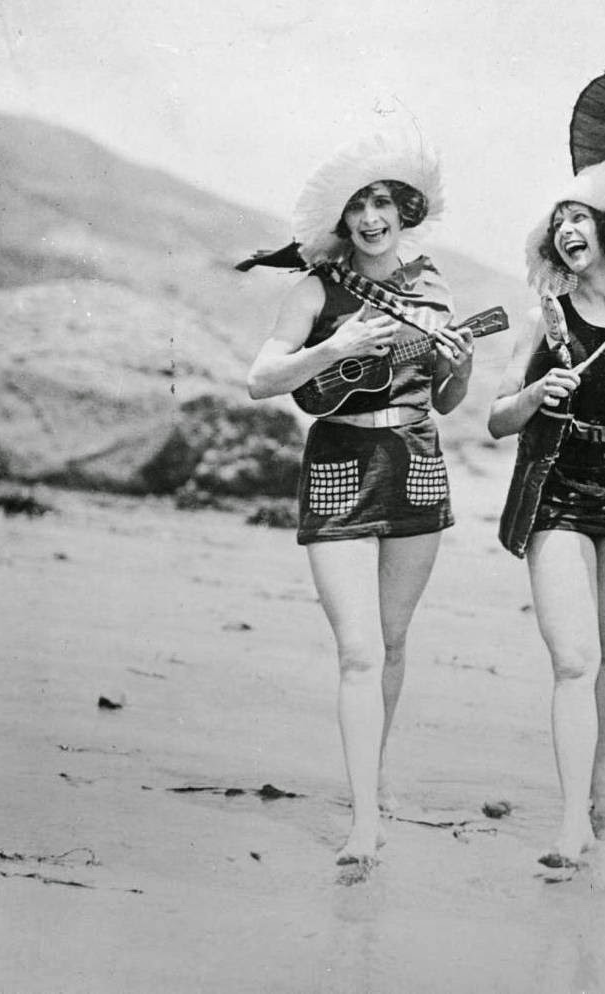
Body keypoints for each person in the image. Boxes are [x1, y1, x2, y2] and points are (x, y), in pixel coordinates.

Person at [245, 119, 475, 865]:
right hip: (341, 459)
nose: (372, 217)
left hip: (416, 457)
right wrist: (334, 347)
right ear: (340, 217)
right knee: (356, 649)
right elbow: (260, 381)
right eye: (358, 205)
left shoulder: (432, 283)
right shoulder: (313, 287)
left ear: (405, 208)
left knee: (394, 640)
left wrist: (460, 364)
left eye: (384, 202)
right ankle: (364, 818)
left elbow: (445, 400)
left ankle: (372, 781)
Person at [488, 155, 605, 868]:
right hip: (558, 484)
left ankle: (595, 776)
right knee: (573, 659)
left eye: (580, 218)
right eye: (558, 222)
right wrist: (537, 394)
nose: (568, 230)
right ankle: (570, 820)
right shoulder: (545, 318)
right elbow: (498, 418)